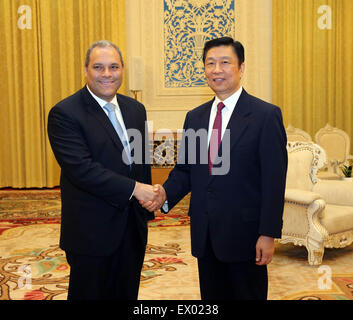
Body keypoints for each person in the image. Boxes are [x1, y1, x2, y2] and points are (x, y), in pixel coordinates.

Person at [142, 37, 288, 300]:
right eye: (210, 63)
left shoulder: (265, 115)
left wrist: (268, 233)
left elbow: (274, 181)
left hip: (246, 235)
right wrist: (163, 194)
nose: (216, 69)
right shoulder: (195, 116)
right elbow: (186, 169)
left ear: (241, 68)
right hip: (206, 234)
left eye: (224, 62)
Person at [47, 40, 157, 300]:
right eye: (98, 67)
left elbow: (140, 161)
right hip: (91, 232)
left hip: (132, 228)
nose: (107, 74)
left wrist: (148, 205)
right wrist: (136, 189)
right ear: (86, 69)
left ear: (122, 69)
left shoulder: (135, 109)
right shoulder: (65, 113)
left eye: (113, 67)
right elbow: (82, 169)